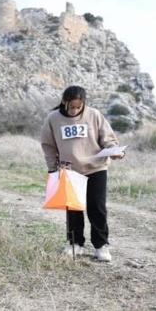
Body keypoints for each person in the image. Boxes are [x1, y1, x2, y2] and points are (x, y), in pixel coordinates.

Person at [40, 85, 124, 262]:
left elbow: (108, 139)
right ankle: (75, 243)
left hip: (96, 168)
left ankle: (101, 246)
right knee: (73, 209)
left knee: (97, 208)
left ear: (84, 104)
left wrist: (115, 151)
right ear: (64, 102)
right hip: (69, 169)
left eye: (79, 107)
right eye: (72, 107)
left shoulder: (94, 114)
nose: (75, 110)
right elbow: (48, 146)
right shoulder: (53, 119)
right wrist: (52, 168)